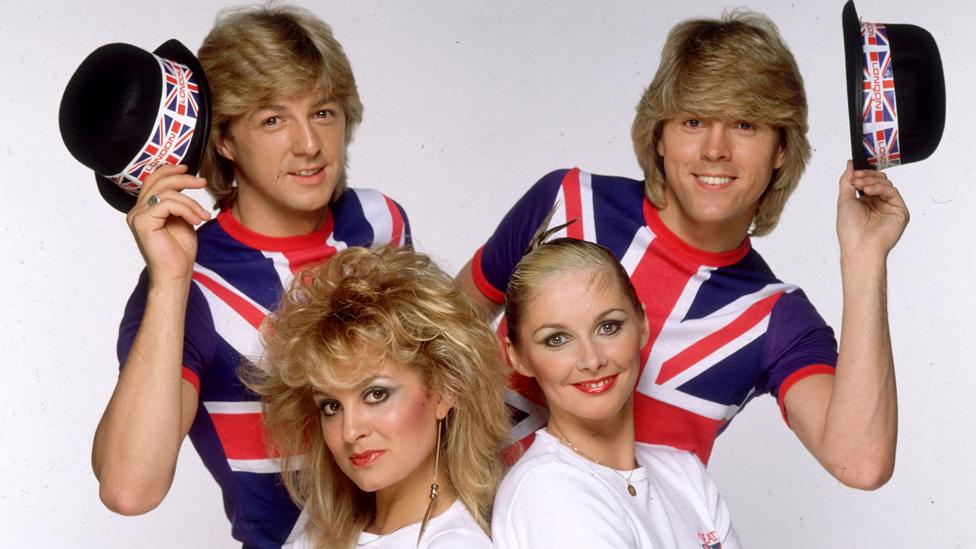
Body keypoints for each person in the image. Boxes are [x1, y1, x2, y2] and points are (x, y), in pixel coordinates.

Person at [458, 9, 908, 490]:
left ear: (781, 150)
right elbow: (434, 338)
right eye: (693, 121)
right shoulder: (568, 203)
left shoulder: (774, 318)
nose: (715, 149)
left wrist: (864, 258)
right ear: (659, 136)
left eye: (745, 124)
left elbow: (860, 463)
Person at [91, 5, 410, 547]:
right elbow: (130, 489)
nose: (309, 144)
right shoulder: (188, 282)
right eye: (272, 119)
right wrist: (169, 281)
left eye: (324, 112)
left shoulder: (379, 221)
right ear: (224, 141)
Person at [247, 246, 508, 548]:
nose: (350, 431)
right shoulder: (323, 535)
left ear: (445, 391)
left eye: (375, 394)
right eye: (331, 406)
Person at [492, 234, 740, 548]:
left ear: (642, 324)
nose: (592, 360)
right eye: (556, 339)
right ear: (518, 357)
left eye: (608, 326)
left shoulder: (684, 472)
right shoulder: (548, 490)